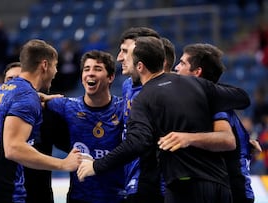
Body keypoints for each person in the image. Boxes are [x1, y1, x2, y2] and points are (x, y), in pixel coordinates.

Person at [77, 36, 251, 203]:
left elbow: (137, 142)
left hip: (184, 185)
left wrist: (96, 166)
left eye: (127, 57)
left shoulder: (144, 98)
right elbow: (242, 98)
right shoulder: (196, 84)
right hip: (220, 185)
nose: (121, 59)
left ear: (140, 66)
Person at [0, 39, 81, 202]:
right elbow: (14, 149)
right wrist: (63, 164)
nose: (55, 72)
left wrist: (40, 97)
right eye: (55, 65)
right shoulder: (26, 97)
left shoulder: (0, 89)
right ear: (45, 65)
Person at [173, 43, 258, 203]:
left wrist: (187, 138)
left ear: (197, 72)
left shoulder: (215, 104)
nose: (176, 68)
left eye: (183, 63)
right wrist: (245, 144)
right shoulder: (217, 100)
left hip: (234, 192)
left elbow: (227, 141)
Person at [45, 50, 125, 203]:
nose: (91, 73)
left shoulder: (123, 109)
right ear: (82, 78)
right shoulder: (67, 106)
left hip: (117, 197)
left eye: (98, 69)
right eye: (87, 69)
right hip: (79, 198)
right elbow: (28, 101)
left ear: (111, 77)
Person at [117, 27, 176, 203]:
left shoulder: (168, 89)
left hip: (157, 183)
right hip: (131, 178)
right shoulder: (127, 86)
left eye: (125, 51)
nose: (119, 57)